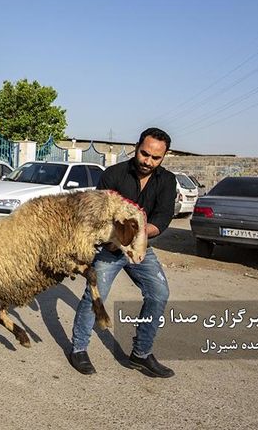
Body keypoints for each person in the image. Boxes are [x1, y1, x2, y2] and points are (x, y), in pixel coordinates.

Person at [69, 127, 177, 378]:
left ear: (164, 157)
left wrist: (136, 235)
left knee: (159, 294)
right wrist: (117, 237)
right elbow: (98, 213)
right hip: (110, 248)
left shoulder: (167, 181)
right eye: (144, 154)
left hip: (140, 248)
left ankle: (141, 354)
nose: (148, 161)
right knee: (95, 296)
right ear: (136, 147)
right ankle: (79, 349)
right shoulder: (113, 174)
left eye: (155, 158)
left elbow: (162, 217)